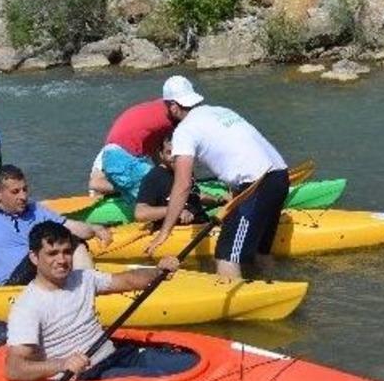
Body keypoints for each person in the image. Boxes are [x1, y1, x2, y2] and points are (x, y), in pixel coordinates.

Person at [6, 220, 198, 381]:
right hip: (89, 375)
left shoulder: (82, 278)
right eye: (52, 253)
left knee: (191, 363)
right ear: (34, 257)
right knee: (165, 378)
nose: (62, 260)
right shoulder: (27, 307)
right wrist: (63, 364)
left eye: (66, 252)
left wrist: (159, 271)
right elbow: (14, 369)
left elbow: (127, 280)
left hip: (117, 356)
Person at [145, 76, 289, 280]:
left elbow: (183, 184)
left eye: (167, 107)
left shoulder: (184, 131)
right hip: (280, 176)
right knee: (259, 252)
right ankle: (274, 289)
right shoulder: (222, 111)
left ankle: (240, 309)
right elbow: (242, 149)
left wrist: (165, 231)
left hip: (256, 186)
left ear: (174, 106)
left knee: (225, 256)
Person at [87, 98, 176, 200]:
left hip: (121, 155)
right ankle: (111, 187)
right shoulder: (161, 126)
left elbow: (159, 161)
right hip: (114, 158)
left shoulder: (154, 133)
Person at [134, 135, 226, 230]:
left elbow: (195, 194)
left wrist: (219, 200)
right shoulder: (154, 178)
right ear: (161, 155)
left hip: (203, 226)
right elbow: (140, 213)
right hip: (178, 233)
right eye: (169, 152)